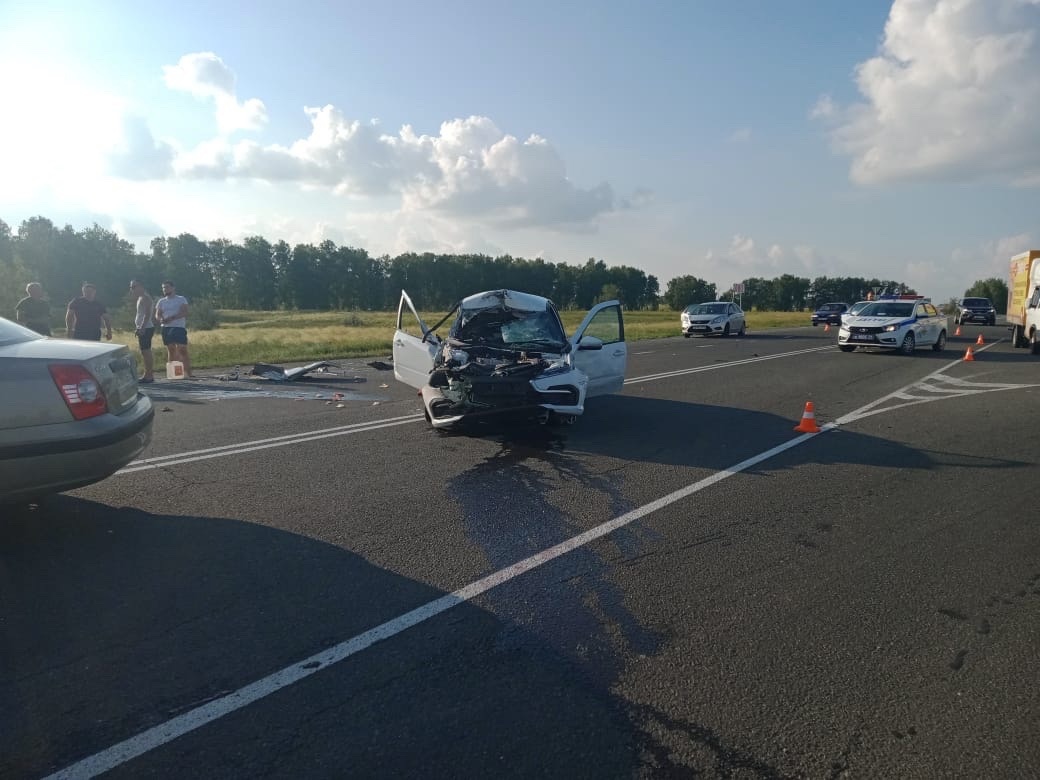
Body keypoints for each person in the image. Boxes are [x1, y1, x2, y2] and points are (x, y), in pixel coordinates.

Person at [155, 280, 192, 378]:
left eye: (167, 287)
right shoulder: (161, 301)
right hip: (166, 328)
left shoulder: (181, 299)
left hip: (178, 326)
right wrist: (160, 319)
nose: (165, 289)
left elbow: (185, 312)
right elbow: (157, 314)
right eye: (163, 288)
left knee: (182, 349)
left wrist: (172, 317)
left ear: (173, 288)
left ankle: (189, 373)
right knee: (171, 349)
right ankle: (173, 374)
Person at [130, 280, 156, 383]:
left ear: (141, 286)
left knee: (146, 351)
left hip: (146, 327)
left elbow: (147, 314)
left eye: (134, 287)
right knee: (144, 352)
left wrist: (142, 327)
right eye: (131, 287)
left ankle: (149, 375)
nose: (132, 289)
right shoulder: (140, 298)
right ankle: (147, 374)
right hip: (143, 327)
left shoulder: (145, 298)